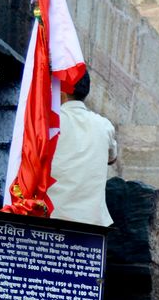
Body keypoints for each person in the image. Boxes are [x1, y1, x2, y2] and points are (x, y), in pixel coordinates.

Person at [46, 73, 117, 226]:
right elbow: (112, 158)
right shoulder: (104, 125)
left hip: (53, 215)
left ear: (61, 92)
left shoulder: (48, 121)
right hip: (92, 222)